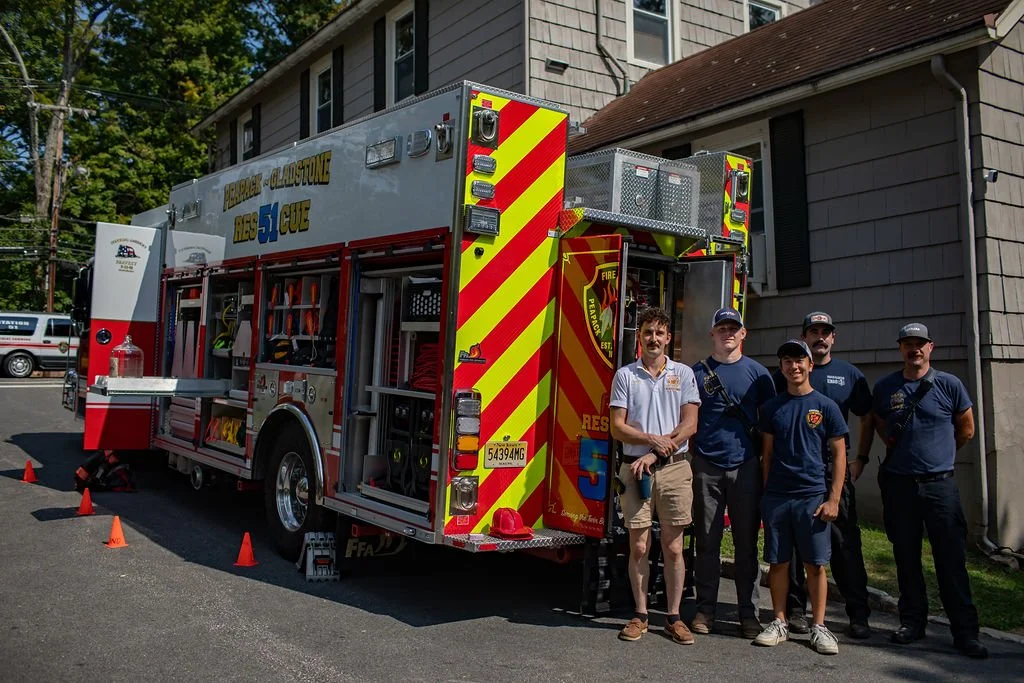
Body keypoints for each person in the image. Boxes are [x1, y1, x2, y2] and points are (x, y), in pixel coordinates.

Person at [871, 322, 988, 659]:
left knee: (951, 562)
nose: (914, 350)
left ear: (930, 347)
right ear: (901, 349)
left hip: (940, 487)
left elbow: (966, 428)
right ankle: (912, 623)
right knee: (905, 558)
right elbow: (882, 426)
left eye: (920, 344)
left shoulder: (949, 384)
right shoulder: (886, 387)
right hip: (900, 486)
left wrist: (939, 455)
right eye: (908, 344)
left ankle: (965, 632)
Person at [770, 312, 874, 638]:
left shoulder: (849, 375)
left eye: (825, 332)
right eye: (813, 332)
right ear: (804, 337)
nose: (819, 337)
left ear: (833, 337)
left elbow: (867, 416)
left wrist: (861, 459)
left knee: (844, 544)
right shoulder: (783, 375)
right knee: (800, 547)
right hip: (798, 474)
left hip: (834, 473)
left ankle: (858, 613)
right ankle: (797, 612)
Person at [610, 306, 701, 644]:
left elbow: (690, 424)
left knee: (674, 547)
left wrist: (653, 452)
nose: (653, 339)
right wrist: (649, 440)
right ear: (640, 337)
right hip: (634, 471)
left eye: (659, 333)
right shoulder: (626, 376)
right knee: (638, 546)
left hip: (675, 468)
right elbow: (617, 427)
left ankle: (674, 617)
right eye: (647, 332)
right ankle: (641, 614)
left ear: (668, 338)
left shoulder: (685, 374)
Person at [754, 339, 847, 655]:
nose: (794, 367)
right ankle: (779, 621)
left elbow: (838, 455)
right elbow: (766, 455)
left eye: (799, 361)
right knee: (777, 563)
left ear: (810, 364)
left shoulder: (826, 406)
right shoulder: (771, 408)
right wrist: (767, 496)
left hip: (812, 497)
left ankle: (819, 627)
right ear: (781, 368)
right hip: (778, 497)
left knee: (815, 564)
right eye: (787, 362)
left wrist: (833, 499)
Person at [690, 307, 775, 639]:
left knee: (745, 544)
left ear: (743, 334)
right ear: (712, 334)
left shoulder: (759, 374)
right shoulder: (696, 374)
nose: (728, 333)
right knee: (707, 542)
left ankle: (747, 613)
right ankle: (705, 609)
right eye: (721, 328)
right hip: (706, 466)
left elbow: (768, 428)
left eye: (733, 328)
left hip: (746, 467)